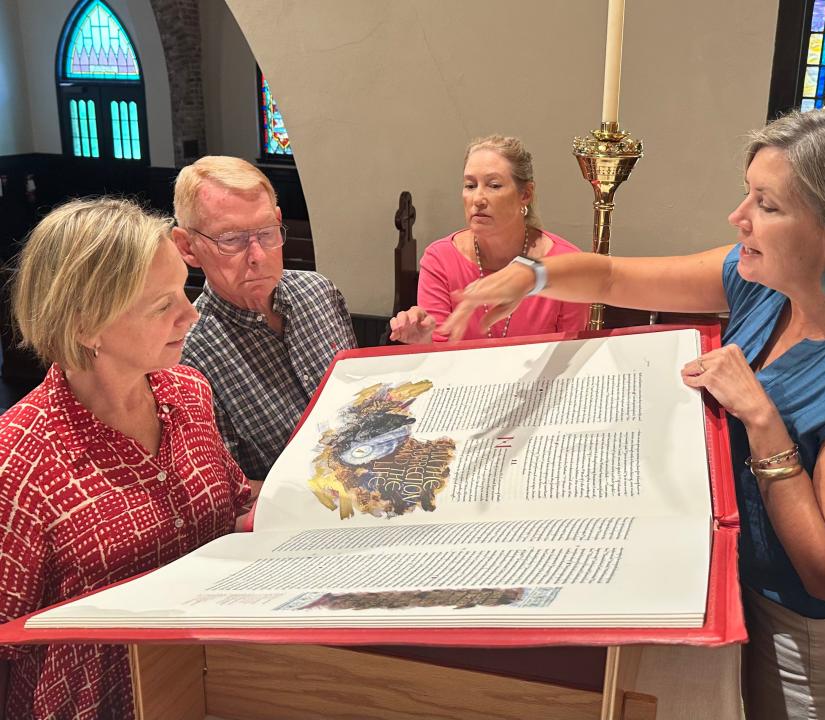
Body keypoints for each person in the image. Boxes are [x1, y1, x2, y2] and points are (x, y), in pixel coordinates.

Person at [443, 108, 825, 720]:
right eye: (747, 193)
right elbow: (610, 275)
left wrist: (761, 418)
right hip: (741, 578)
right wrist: (533, 272)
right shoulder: (766, 279)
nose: (739, 217)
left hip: (817, 633)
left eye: (766, 204)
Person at [0, 198, 251, 720]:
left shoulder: (188, 392)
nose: (192, 312)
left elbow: (228, 507)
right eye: (162, 305)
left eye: (183, 288)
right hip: (103, 701)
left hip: (213, 676)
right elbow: (7, 635)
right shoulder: (22, 458)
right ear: (85, 325)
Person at [172, 157, 357, 481]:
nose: (258, 255)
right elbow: (231, 492)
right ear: (188, 247)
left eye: (267, 233)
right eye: (231, 239)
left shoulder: (319, 292)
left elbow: (359, 395)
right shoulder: (188, 356)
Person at [389, 135, 588, 343]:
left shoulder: (565, 263)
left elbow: (569, 356)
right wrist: (424, 342)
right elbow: (439, 357)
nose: (478, 199)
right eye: (470, 185)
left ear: (526, 194)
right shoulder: (440, 259)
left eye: (494, 185)